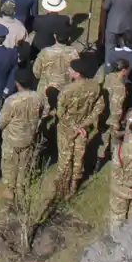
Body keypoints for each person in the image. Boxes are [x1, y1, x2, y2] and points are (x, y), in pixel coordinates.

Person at [54, 62, 104, 198]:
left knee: (65, 158)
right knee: (79, 157)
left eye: (71, 70)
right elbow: (99, 107)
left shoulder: (67, 90)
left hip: (66, 129)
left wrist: (74, 126)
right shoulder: (95, 87)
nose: (68, 71)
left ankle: (61, 190)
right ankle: (74, 188)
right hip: (84, 128)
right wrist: (84, 124)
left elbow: (60, 113)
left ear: (77, 73)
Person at [0, 82, 45, 203]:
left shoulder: (11, 101)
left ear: (17, 84)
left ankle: (9, 190)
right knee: (24, 163)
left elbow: (1, 122)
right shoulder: (38, 97)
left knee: (9, 164)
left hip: (12, 138)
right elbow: (40, 113)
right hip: (29, 136)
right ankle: (21, 188)